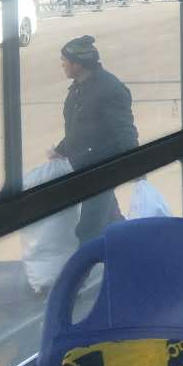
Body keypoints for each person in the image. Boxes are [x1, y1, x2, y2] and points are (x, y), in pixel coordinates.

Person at [48, 35, 139, 241]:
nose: (62, 64)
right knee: (112, 221)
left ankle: (87, 264)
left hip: (104, 168)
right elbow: (81, 128)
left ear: (78, 64)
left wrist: (137, 165)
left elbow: (125, 130)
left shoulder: (110, 89)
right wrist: (60, 150)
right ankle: (134, 247)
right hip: (87, 164)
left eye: (65, 60)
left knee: (88, 229)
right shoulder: (80, 87)